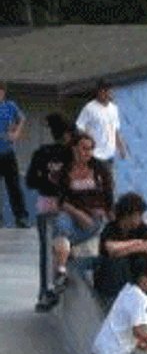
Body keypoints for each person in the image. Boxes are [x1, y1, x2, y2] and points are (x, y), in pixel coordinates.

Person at [93, 192, 147, 328]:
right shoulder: (111, 229)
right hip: (111, 278)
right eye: (138, 215)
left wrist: (129, 248)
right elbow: (111, 248)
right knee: (120, 262)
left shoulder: (140, 228)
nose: (140, 219)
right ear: (128, 216)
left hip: (133, 272)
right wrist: (139, 244)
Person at [52, 132, 114, 292]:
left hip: (94, 216)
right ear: (74, 149)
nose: (87, 153)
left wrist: (112, 221)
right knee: (60, 223)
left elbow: (108, 199)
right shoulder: (64, 170)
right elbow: (62, 201)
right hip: (72, 213)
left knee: (61, 238)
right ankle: (61, 271)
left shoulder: (100, 169)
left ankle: (64, 254)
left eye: (90, 149)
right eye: (83, 148)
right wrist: (78, 213)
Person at [26, 113, 75, 312]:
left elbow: (30, 181)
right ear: (68, 135)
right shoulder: (73, 155)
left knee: (47, 250)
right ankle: (56, 285)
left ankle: (46, 293)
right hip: (68, 206)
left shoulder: (41, 153)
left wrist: (45, 182)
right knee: (64, 244)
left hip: (46, 204)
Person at [75, 78, 127, 184]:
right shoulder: (89, 108)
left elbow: (116, 131)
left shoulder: (114, 108)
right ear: (99, 92)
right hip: (95, 154)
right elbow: (80, 127)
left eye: (109, 91)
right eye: (104, 91)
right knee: (94, 182)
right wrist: (86, 147)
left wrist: (122, 150)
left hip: (110, 154)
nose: (107, 94)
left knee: (109, 183)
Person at [0, 81, 31, 228]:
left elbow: (22, 118)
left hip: (8, 152)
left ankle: (21, 217)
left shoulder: (10, 106)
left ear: (3, 93)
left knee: (14, 186)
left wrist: (17, 132)